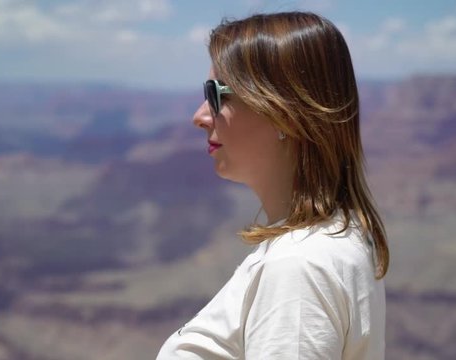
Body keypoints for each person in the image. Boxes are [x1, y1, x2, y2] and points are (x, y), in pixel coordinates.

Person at [157, 11, 389, 360]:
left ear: (283, 112)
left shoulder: (298, 267)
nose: (200, 116)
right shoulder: (340, 236)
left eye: (216, 94)